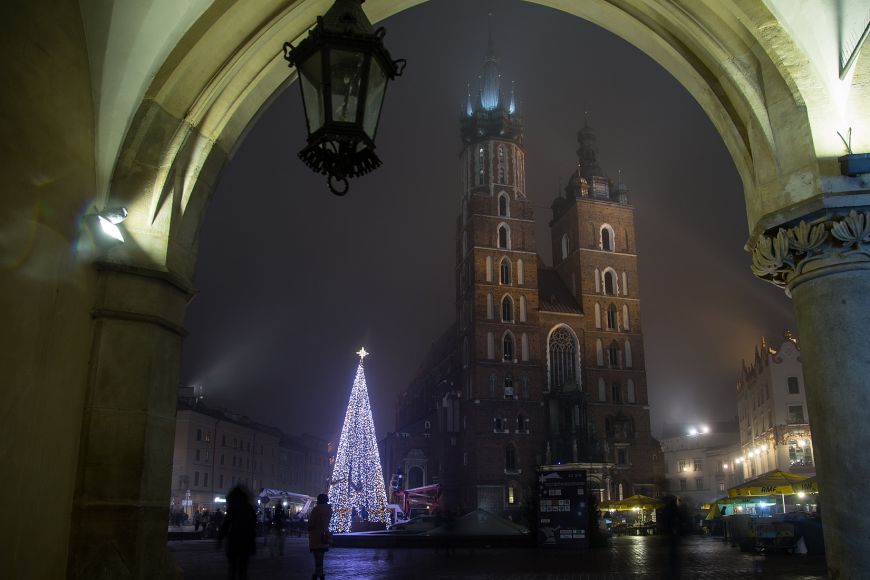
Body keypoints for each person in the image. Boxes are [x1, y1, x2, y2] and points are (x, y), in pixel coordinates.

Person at [217, 486, 256, 580]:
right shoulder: (249, 508)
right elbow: (253, 526)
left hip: (234, 541)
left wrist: (220, 539)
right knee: (243, 570)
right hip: (246, 542)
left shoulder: (232, 508)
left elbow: (226, 525)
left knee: (232, 568)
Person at [307, 494, 332, 580]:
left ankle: (319, 574)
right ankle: (318, 572)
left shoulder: (316, 509)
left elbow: (311, 524)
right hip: (324, 535)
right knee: (321, 557)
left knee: (317, 556)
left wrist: (308, 527)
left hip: (316, 536)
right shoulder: (329, 510)